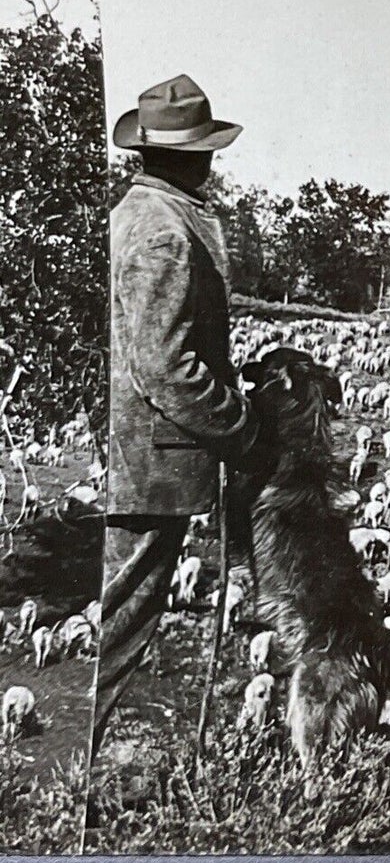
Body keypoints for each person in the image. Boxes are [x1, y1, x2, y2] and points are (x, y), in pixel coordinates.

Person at [92, 75, 264, 750]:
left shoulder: (138, 213)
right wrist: (241, 428)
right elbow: (164, 365)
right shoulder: (163, 231)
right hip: (152, 464)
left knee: (119, 616)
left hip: (139, 456)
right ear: (192, 156)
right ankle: (69, 799)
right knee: (120, 622)